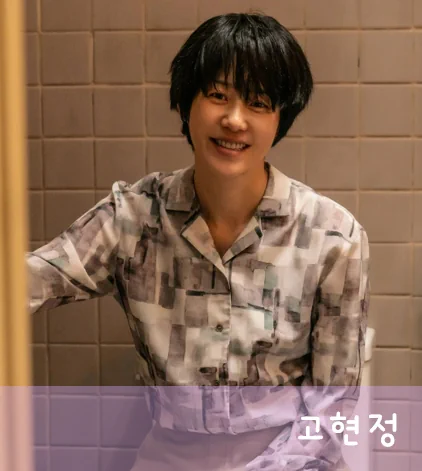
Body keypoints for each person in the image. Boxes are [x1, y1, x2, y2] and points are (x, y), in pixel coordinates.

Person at [27, 12, 370, 471]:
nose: (234, 120)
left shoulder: (333, 236)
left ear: (279, 119)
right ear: (187, 102)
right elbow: (31, 281)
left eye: (258, 102)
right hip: (170, 456)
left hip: (294, 459)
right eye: (217, 95)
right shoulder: (134, 216)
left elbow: (333, 408)